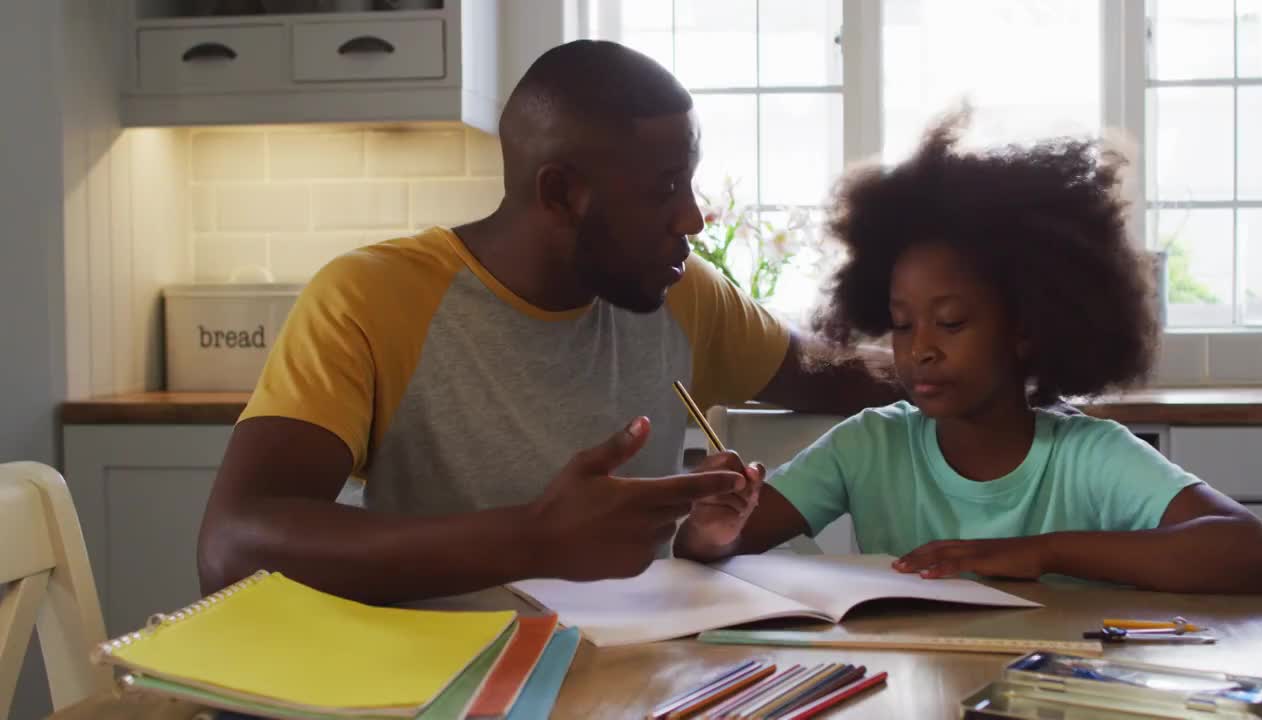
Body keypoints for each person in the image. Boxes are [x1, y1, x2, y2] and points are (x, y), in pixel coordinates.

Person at [196, 40, 900, 605]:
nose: (693, 216)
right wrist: (531, 539)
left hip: (629, 683)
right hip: (433, 690)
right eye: (664, 189)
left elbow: (822, 374)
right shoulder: (369, 298)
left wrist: (985, 360)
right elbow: (234, 546)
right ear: (561, 194)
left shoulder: (686, 295)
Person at [674, 110, 1262, 595]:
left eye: (951, 323)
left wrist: (1043, 552)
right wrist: (711, 528)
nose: (919, 350)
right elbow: (716, 546)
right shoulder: (867, 446)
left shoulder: (1089, 457)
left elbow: (1255, 555)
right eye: (900, 323)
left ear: (1027, 327)